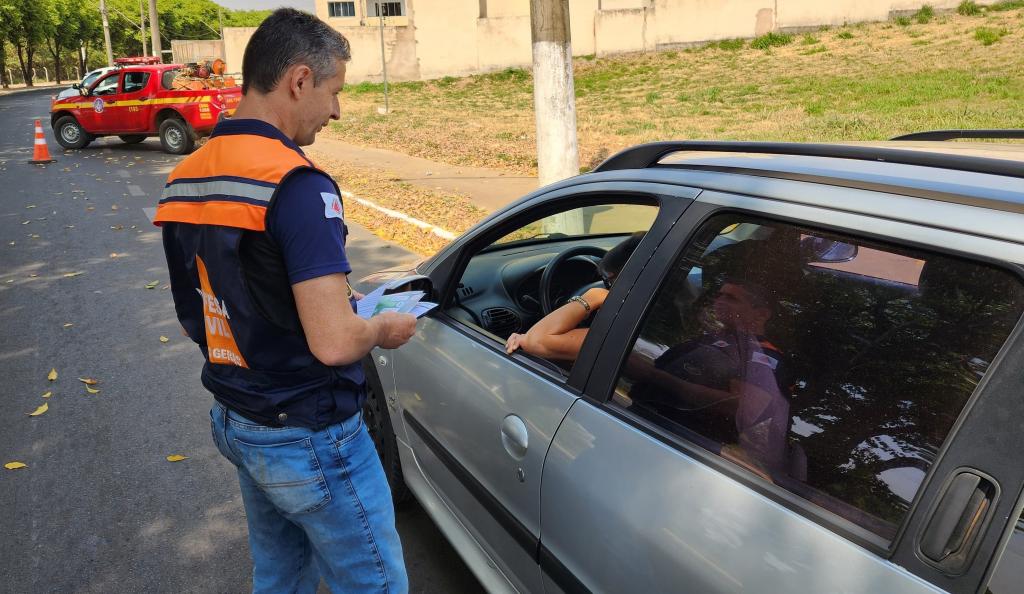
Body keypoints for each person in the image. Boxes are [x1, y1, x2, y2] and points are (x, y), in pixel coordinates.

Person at [153, 9, 416, 593]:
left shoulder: (187, 177)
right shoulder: (297, 185)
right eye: (334, 91)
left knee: (279, 576)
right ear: (299, 80)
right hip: (309, 432)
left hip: (238, 416)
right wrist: (382, 327)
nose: (337, 110)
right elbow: (334, 341)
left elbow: (202, 310)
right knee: (375, 584)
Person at [629, 278, 793, 479]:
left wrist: (653, 376)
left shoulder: (764, 356)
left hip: (684, 446)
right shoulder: (712, 339)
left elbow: (741, 406)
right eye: (720, 294)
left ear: (761, 314)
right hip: (644, 424)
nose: (719, 300)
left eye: (731, 298)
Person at [505, 232, 644, 361]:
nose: (606, 288)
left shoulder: (625, 334)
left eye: (608, 281)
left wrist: (589, 298)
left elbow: (536, 341)